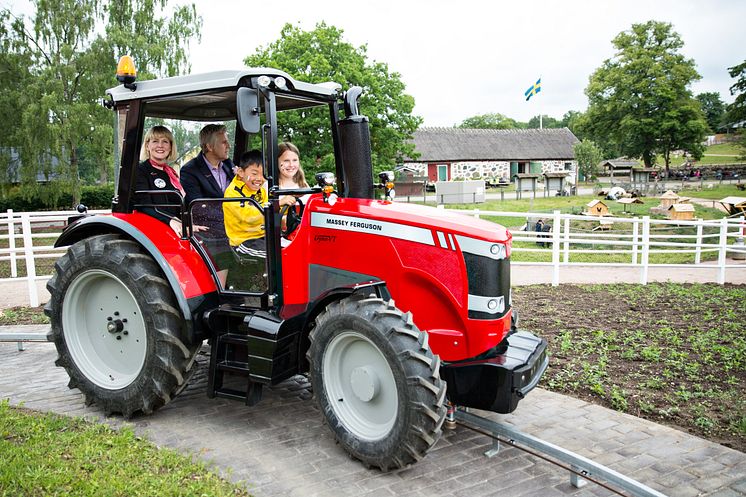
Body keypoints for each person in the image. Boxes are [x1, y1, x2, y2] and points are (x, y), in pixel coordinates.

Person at [224, 150, 297, 259]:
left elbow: (273, 209)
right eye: (254, 173)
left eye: (263, 174)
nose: (259, 178)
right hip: (244, 241)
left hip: (264, 236)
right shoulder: (232, 193)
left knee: (295, 249)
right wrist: (278, 203)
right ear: (240, 172)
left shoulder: (261, 191)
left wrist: (288, 208)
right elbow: (248, 216)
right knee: (280, 257)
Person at [134, 125, 186, 236]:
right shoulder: (140, 171)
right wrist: (171, 220)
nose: (160, 145)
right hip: (153, 227)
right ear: (147, 146)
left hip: (174, 226)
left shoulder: (171, 173)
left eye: (165, 141)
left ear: (171, 147)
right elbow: (144, 206)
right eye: (155, 141)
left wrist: (188, 224)